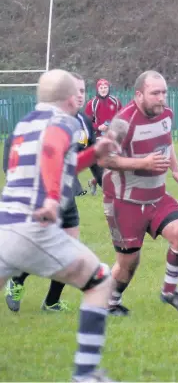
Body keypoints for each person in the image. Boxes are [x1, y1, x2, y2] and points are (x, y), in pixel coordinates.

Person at [0, 69, 118, 381]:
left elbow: (60, 162)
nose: (81, 97)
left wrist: (95, 153)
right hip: (31, 227)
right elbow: (53, 150)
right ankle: (86, 372)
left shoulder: (25, 123)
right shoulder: (62, 122)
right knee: (100, 281)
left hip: (3, 227)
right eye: (76, 93)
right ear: (69, 98)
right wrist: (52, 198)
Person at [3, 73, 104, 313]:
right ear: (64, 96)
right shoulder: (53, 122)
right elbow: (32, 149)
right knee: (34, 248)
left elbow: (82, 160)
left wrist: (104, 182)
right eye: (75, 90)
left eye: (83, 90)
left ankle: (51, 302)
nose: (80, 95)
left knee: (68, 247)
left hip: (63, 197)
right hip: (38, 201)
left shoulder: (83, 123)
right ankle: (16, 283)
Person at [98, 70, 178, 316]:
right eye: (155, 93)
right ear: (139, 94)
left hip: (156, 196)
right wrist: (142, 164)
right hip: (124, 202)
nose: (161, 98)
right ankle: (110, 304)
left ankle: (169, 292)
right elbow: (103, 158)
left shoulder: (167, 114)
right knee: (128, 264)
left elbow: (167, 140)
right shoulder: (122, 122)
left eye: (164, 92)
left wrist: (176, 170)